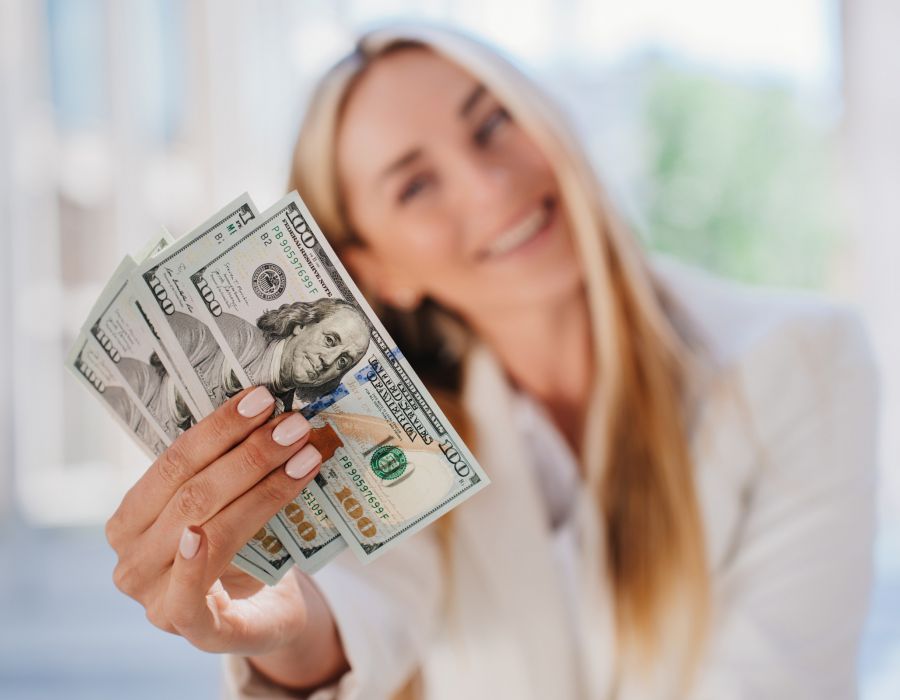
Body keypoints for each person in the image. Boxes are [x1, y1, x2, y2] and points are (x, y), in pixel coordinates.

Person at [103, 23, 880, 700]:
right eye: (415, 185)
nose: (492, 184)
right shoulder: (385, 436)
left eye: (493, 123)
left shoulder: (803, 362)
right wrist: (279, 631)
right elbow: (360, 614)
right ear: (374, 273)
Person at [166, 298, 369, 411]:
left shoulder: (283, 417)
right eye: (329, 340)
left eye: (343, 361)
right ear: (301, 325)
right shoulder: (228, 335)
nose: (328, 360)